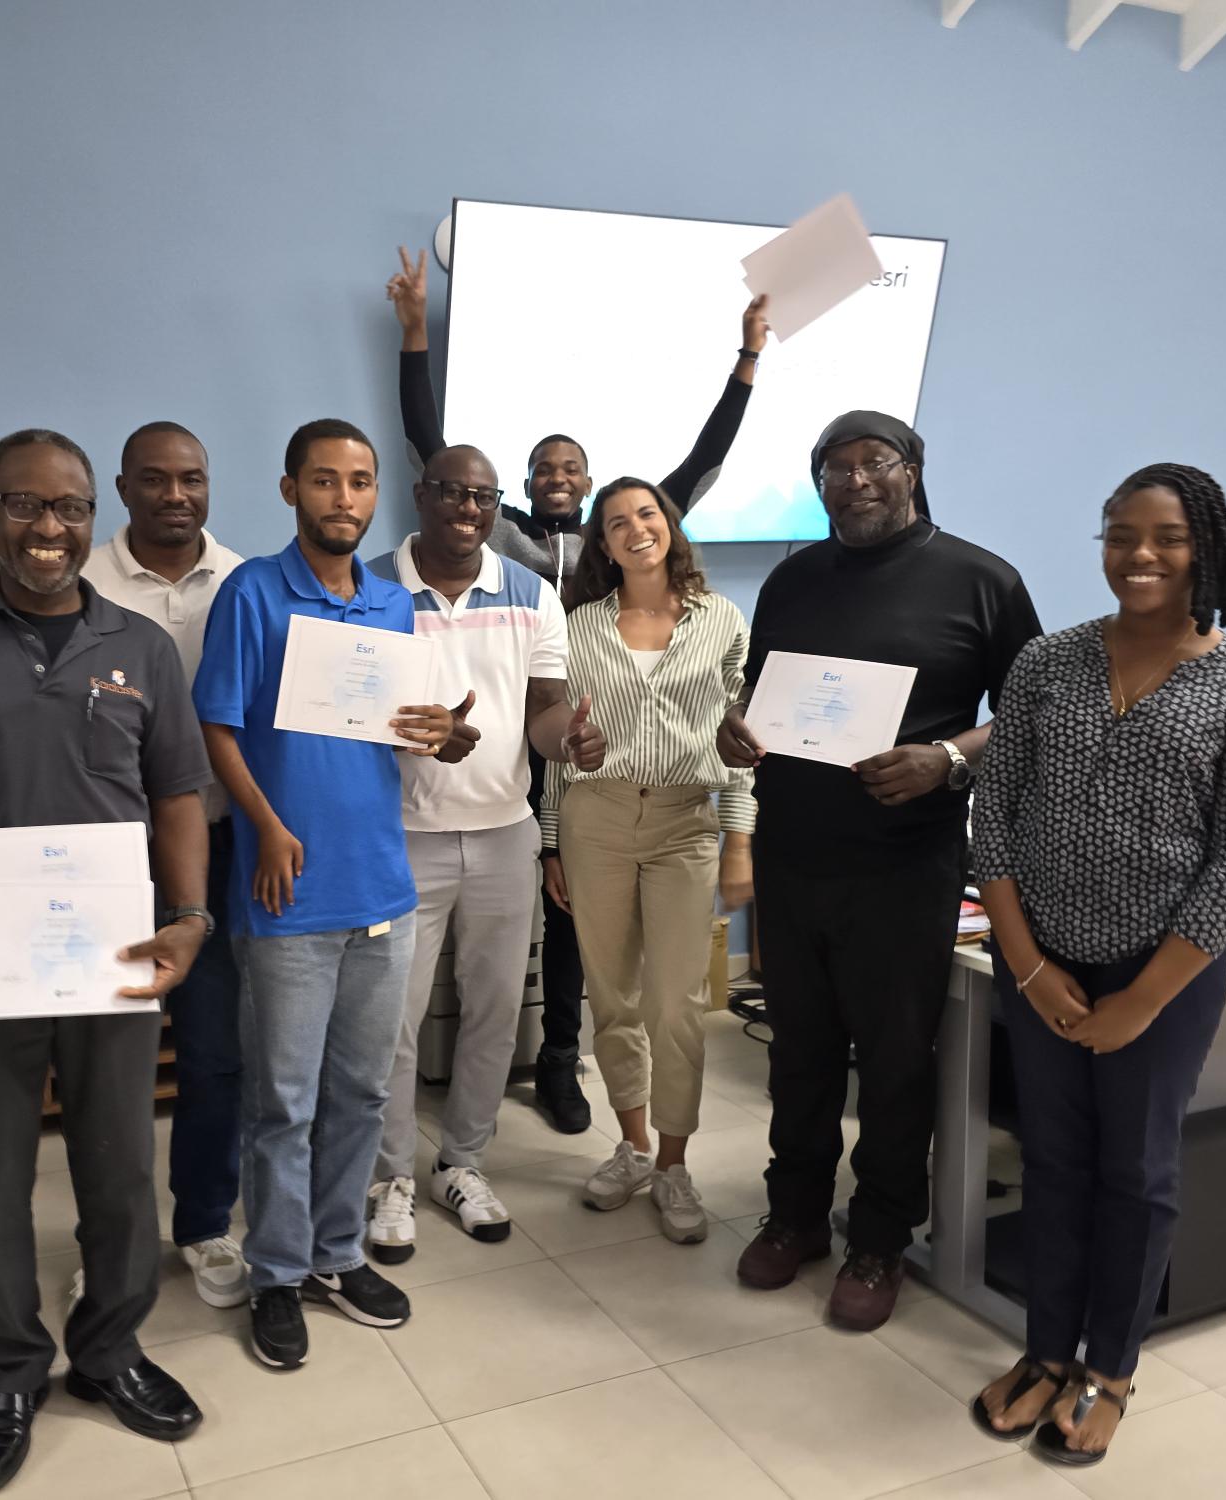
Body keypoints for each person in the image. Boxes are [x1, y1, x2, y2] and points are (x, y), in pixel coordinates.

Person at [0, 428, 212, 1493]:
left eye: (67, 507)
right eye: (23, 504)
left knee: (119, 1164)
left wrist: (189, 916)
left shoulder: (139, 647)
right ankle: (11, 1371)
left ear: (91, 518)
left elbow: (176, 794)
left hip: (114, 952)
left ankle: (110, 1352)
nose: (47, 527)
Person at [388, 246, 769, 1135]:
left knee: (577, 930)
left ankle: (564, 1062)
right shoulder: (505, 539)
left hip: (601, 746)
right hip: (519, 736)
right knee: (549, 910)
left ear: (594, 487)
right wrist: (413, 335)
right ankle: (498, 1070)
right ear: (520, 488)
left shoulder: (628, 544)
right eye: (542, 469)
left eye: (572, 469)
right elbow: (430, 449)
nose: (557, 478)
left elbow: (705, 460)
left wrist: (747, 360)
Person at [967, 464, 1226, 1466]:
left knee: (1135, 1172)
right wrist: (1027, 966)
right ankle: (1044, 1353)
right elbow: (995, 816)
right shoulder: (1046, 661)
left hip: (1166, 974)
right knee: (1052, 1161)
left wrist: (1142, 1001)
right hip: (1040, 959)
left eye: (1165, 537)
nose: (1139, 555)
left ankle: (1108, 1370)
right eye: (1119, 535)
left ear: (1206, 551)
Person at [718, 411, 1041, 1333]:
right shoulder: (792, 579)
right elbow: (759, 696)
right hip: (793, 856)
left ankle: (880, 1238)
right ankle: (794, 1216)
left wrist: (949, 758)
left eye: (876, 462)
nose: (855, 479)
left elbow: (1030, 712)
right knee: (799, 1053)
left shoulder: (981, 580)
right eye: (835, 467)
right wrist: (736, 727)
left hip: (905, 865)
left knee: (896, 1064)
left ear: (913, 471)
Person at [193, 418, 459, 1370]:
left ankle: (337, 1256)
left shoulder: (392, 606)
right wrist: (266, 826)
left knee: (361, 1091)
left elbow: (393, 729)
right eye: (324, 480)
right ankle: (276, 1272)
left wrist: (441, 732)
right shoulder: (251, 594)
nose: (344, 498)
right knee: (284, 1102)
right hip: (289, 895)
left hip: (381, 887)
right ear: (290, 490)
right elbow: (218, 728)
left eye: (359, 481)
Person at [364, 444, 607, 1263]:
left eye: (483, 497)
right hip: (398, 836)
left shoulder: (532, 593)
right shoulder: (371, 586)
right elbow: (345, 711)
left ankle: (462, 1163)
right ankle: (389, 1177)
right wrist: (419, 735)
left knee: (495, 1011)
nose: (468, 509)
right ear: (420, 494)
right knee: (391, 1022)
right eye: (453, 493)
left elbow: (544, 710)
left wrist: (568, 741)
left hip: (504, 834)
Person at [539, 477, 753, 1246]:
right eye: (617, 522)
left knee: (678, 1004)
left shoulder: (721, 619)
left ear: (669, 524)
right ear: (601, 543)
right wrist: (552, 842)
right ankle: (631, 1147)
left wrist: (739, 838)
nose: (636, 529)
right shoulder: (579, 626)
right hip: (594, 821)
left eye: (647, 513)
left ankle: (673, 1162)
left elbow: (742, 738)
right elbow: (562, 749)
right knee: (613, 996)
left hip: (682, 823)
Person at [85, 420, 249, 1309]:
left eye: (191, 478)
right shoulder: (82, 583)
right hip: (105, 860)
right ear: (123, 489)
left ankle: (204, 1221)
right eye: (154, 479)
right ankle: (107, 1239)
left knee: (216, 1054)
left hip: (214, 851)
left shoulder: (245, 581)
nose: (175, 495)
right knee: (103, 1067)